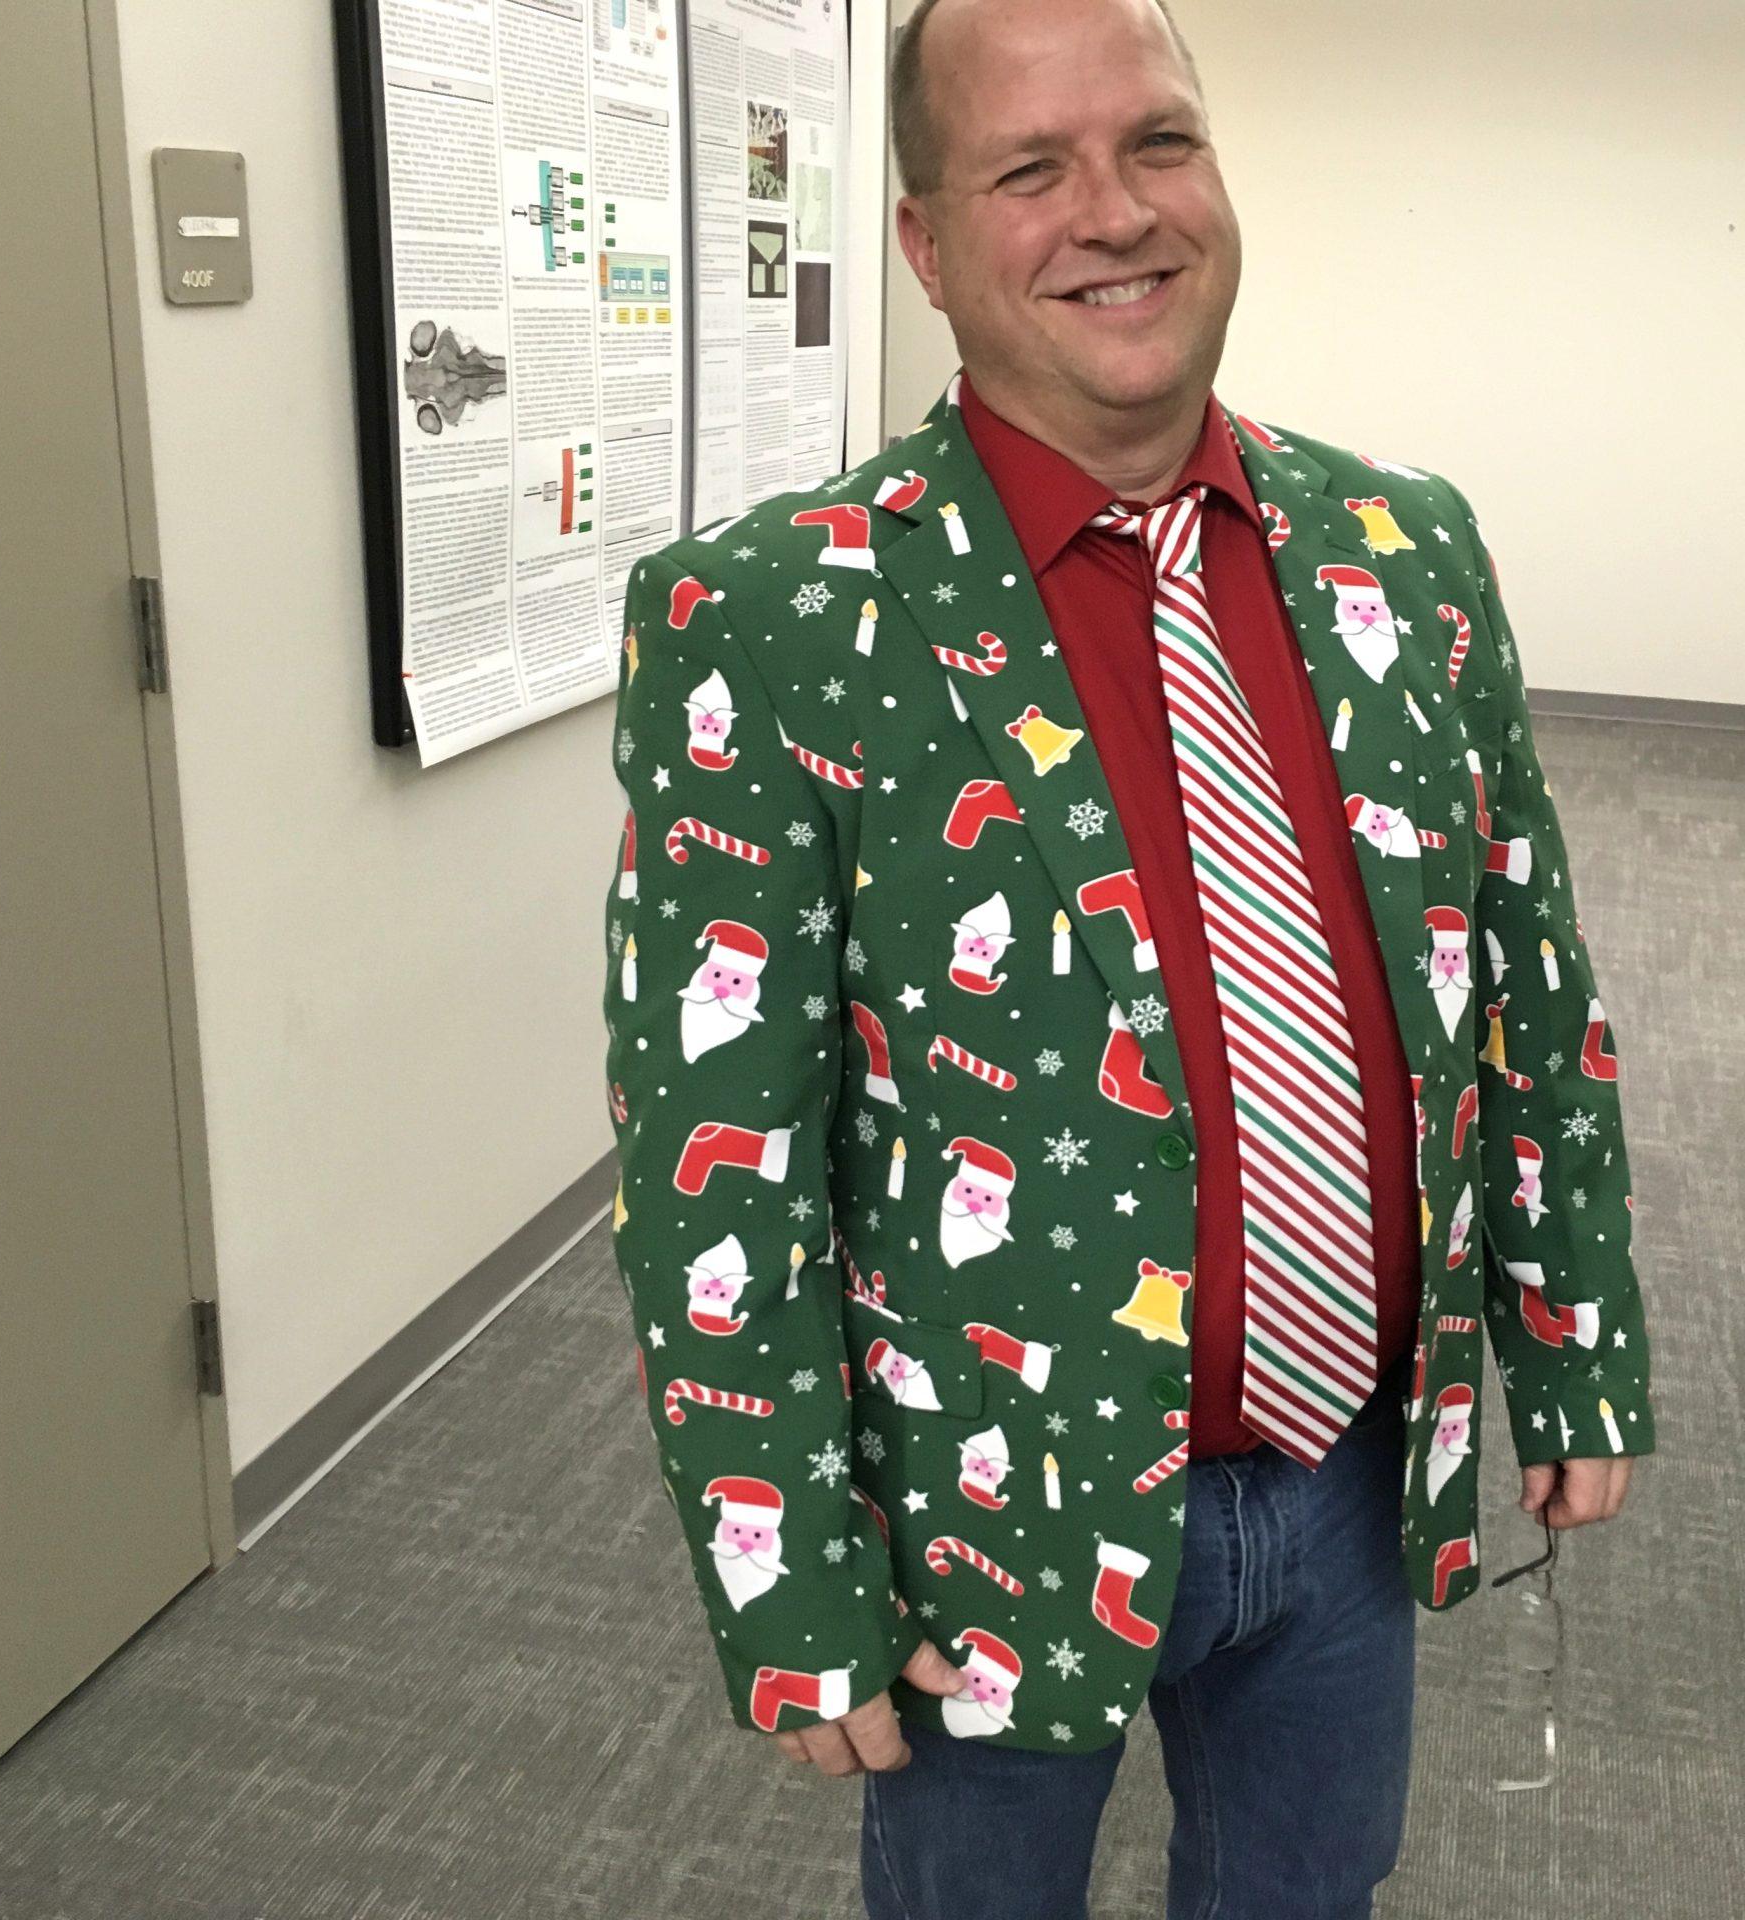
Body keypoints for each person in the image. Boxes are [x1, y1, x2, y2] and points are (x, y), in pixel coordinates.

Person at [599, 1, 1654, 1912]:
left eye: (1158, 143)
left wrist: (1573, 1355)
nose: (1116, 212)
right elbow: (714, 1142)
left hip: (1344, 1476)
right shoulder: (773, 621)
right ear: (927, 244)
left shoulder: (1405, 554)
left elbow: (1528, 994)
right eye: (1031, 167)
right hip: (989, 1516)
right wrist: (787, 1571)